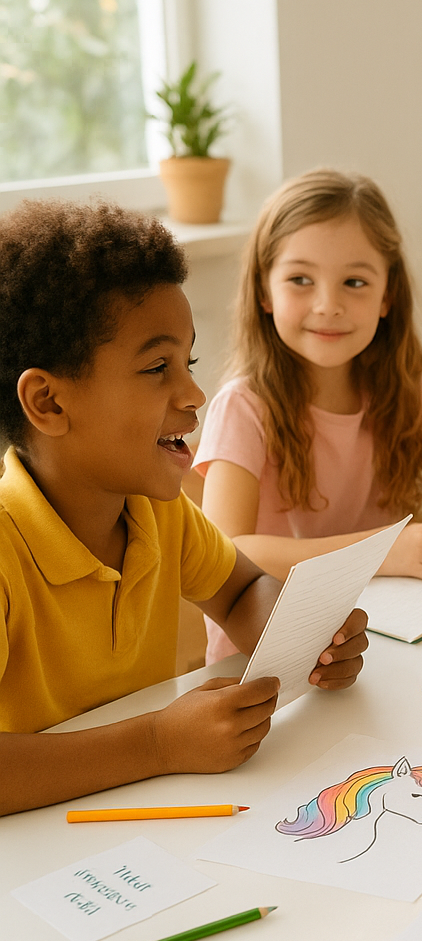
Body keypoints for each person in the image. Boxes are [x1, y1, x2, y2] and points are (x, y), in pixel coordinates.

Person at [0, 200, 367, 816]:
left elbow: (241, 588)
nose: (195, 393)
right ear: (50, 403)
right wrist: (156, 744)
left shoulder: (156, 510)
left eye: (189, 363)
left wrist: (305, 636)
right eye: (156, 367)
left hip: (154, 821)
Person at [196, 169, 422, 663]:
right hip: (263, 661)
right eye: (300, 280)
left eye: (354, 282)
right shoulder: (243, 407)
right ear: (264, 292)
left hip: (381, 638)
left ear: (387, 295)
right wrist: (381, 551)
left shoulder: (410, 387)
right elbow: (231, 553)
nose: (328, 305)